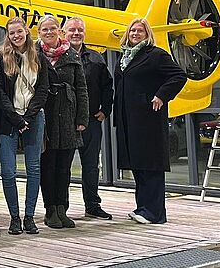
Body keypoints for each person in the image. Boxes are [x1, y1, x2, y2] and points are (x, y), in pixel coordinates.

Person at [114, 18, 187, 225]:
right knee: (138, 164)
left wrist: (162, 95)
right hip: (129, 119)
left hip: (149, 119)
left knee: (151, 165)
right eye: (132, 30)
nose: (135, 34)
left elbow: (179, 76)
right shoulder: (124, 57)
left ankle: (154, 213)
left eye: (140, 31)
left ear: (147, 35)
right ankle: (143, 208)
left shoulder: (156, 55)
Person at [0, 17, 49, 236]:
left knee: (34, 169)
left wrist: (28, 117)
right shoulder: (0, 58)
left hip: (33, 119)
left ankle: (29, 217)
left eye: (19, 31)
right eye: (12, 33)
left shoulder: (39, 56)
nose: (16, 36)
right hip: (9, 119)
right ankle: (14, 218)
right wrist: (17, 119)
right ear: (8, 35)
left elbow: (43, 89)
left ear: (26, 31)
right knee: (8, 171)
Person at [37, 15, 88, 230]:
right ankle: (50, 209)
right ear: (39, 33)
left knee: (64, 167)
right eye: (44, 29)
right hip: (45, 115)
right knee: (47, 165)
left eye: (52, 28)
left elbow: (82, 88)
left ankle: (62, 208)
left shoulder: (71, 54)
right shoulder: (35, 54)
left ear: (59, 30)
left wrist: (82, 118)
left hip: (67, 114)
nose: (49, 32)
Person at [64, 16, 114, 221]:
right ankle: (60, 209)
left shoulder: (96, 58)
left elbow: (107, 86)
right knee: (63, 167)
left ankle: (92, 206)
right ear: (64, 33)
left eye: (80, 30)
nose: (76, 33)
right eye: (72, 30)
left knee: (92, 166)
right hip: (65, 123)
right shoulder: (58, 57)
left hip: (92, 121)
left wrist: (106, 110)